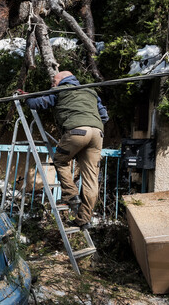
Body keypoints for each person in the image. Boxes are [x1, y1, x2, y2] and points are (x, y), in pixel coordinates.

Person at [25, 71, 109, 230]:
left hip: (76, 132)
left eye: (54, 81)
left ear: (62, 80)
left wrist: (28, 97)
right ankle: (83, 218)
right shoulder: (91, 91)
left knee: (60, 160)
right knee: (91, 177)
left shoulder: (60, 90)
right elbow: (104, 116)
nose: (52, 84)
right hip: (97, 134)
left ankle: (71, 196)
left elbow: (38, 104)